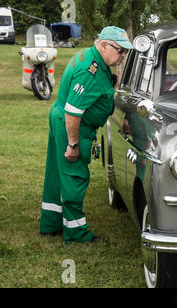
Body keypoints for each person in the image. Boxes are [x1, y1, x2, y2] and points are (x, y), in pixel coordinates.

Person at [39, 26, 133, 243]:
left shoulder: (91, 58)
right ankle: (76, 233)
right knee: (74, 174)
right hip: (72, 125)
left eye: (125, 52)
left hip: (60, 116)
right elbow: (73, 111)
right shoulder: (89, 72)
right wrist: (73, 144)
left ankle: (51, 224)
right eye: (120, 51)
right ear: (104, 45)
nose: (123, 56)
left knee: (56, 172)